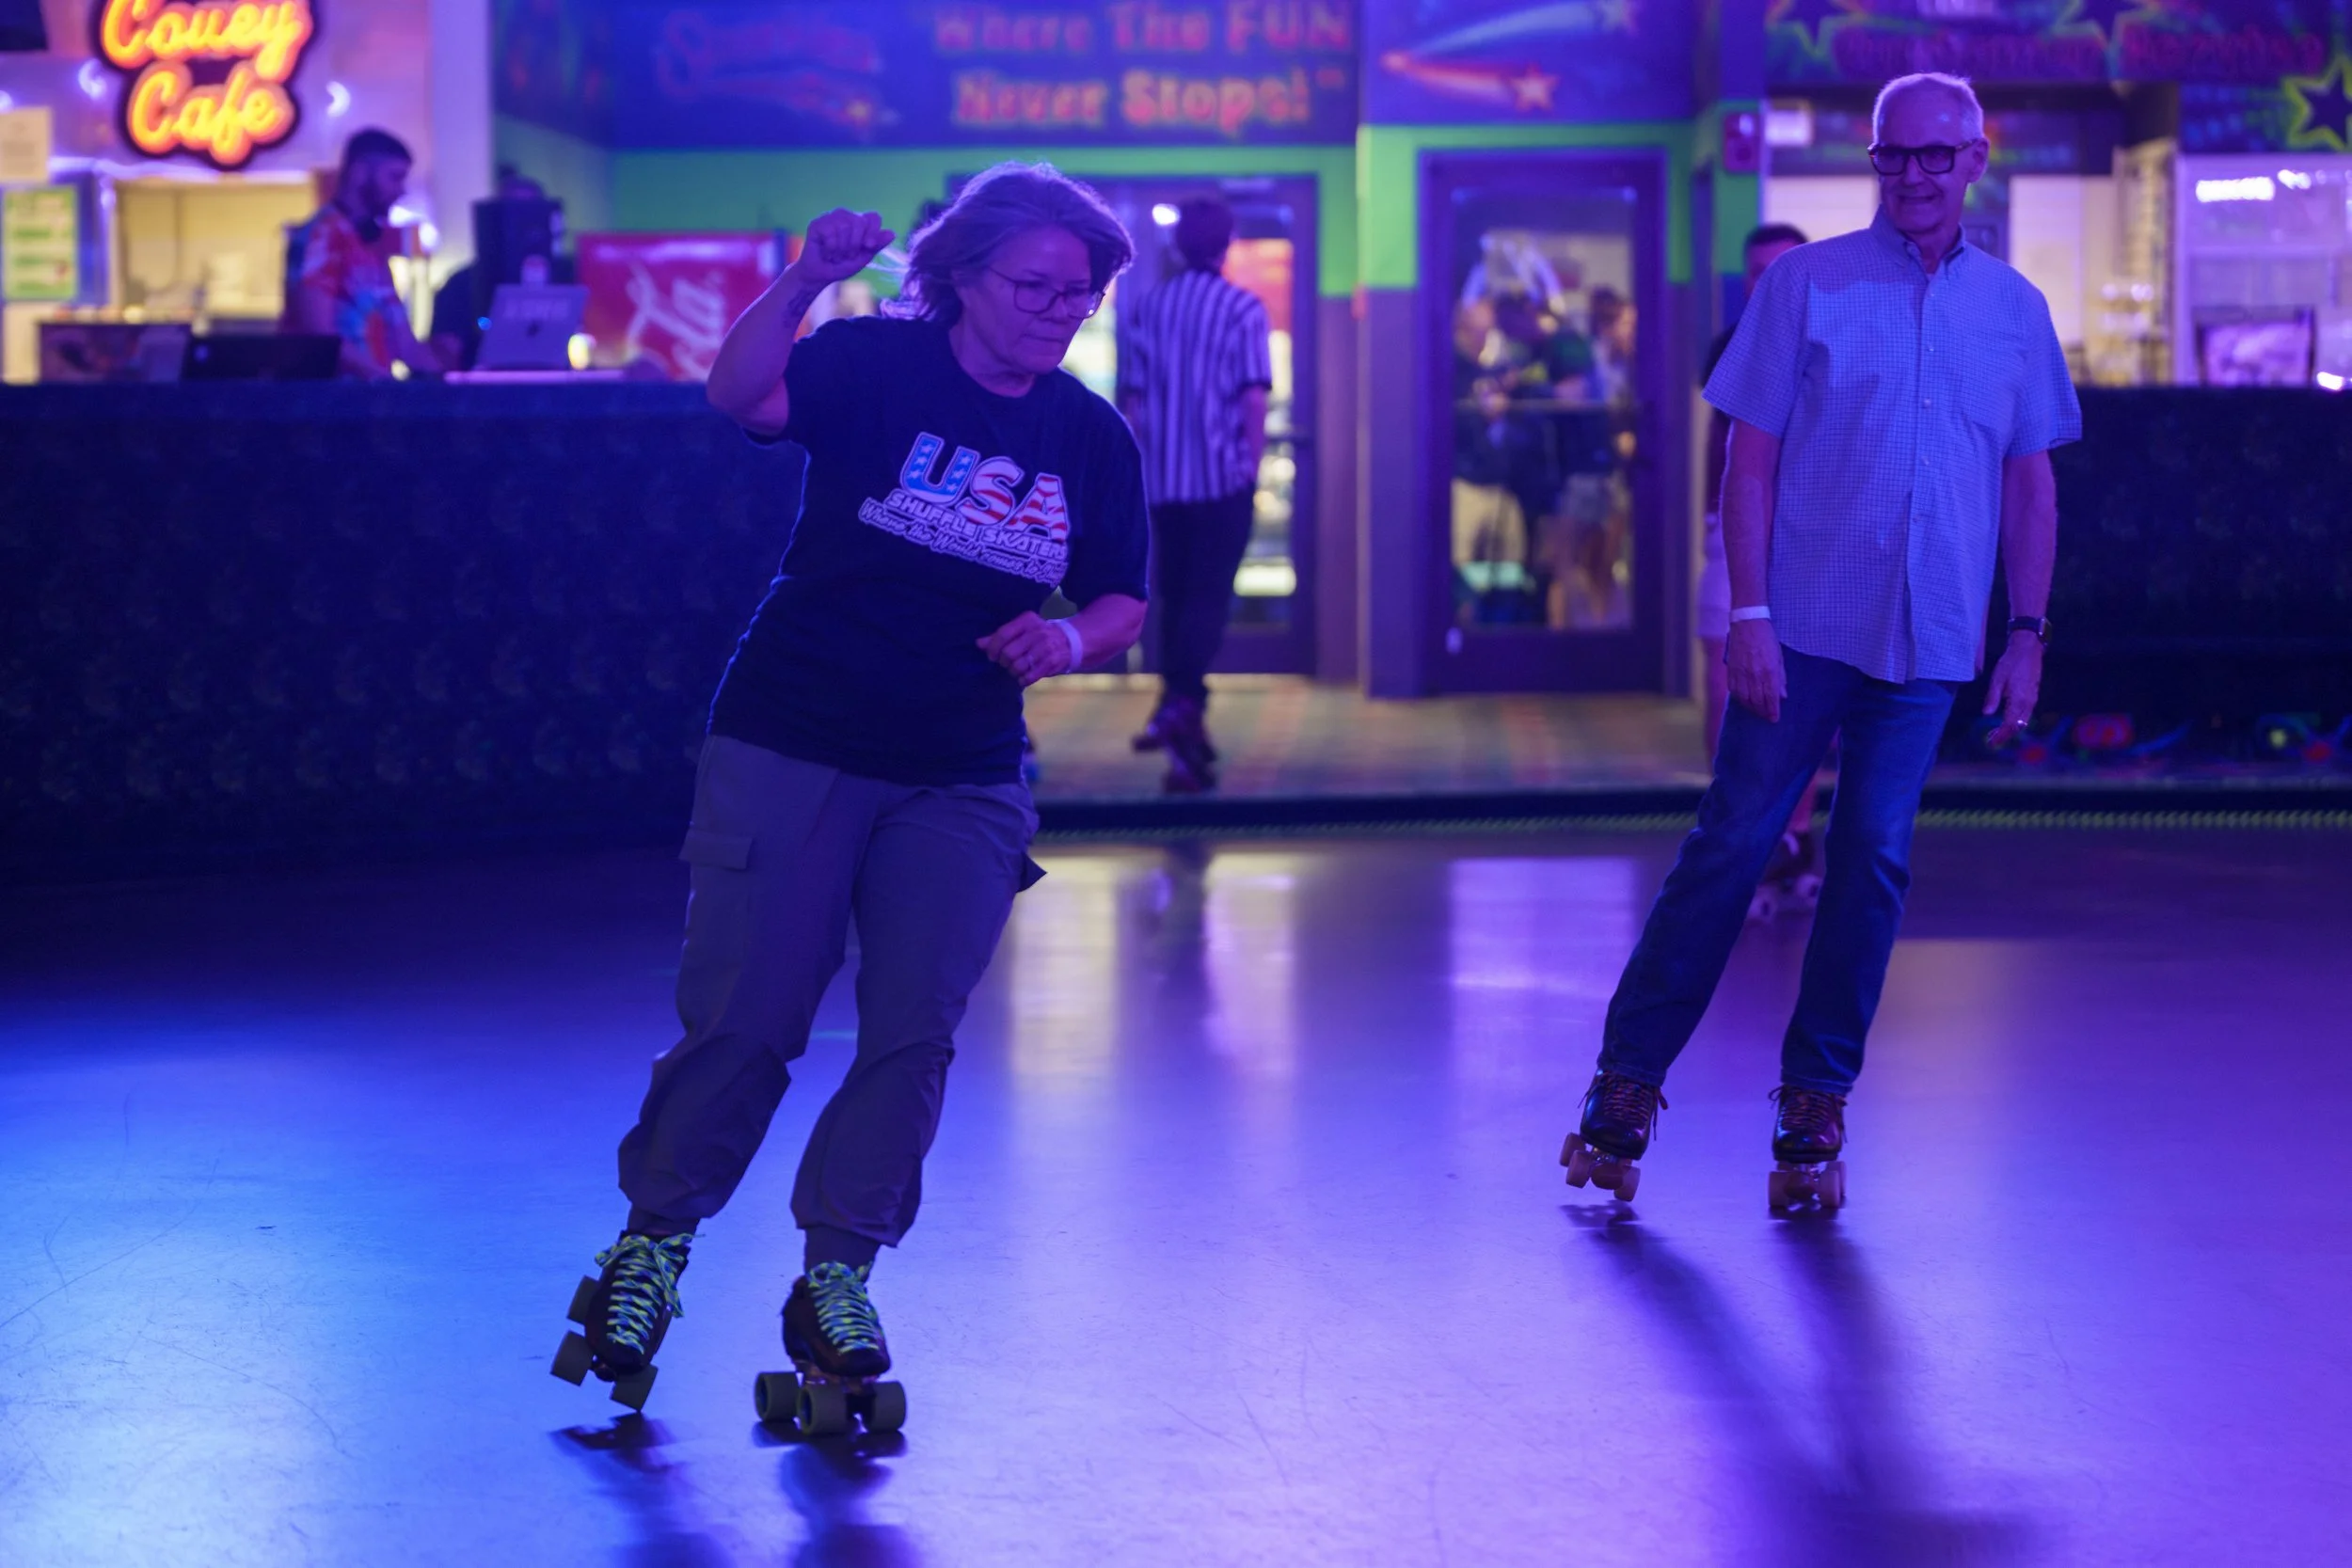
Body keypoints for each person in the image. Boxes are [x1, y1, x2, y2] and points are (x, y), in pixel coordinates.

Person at [550, 165, 1149, 1419]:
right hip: (797, 732)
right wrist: (809, 275)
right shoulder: (874, 363)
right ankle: (652, 1244)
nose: (1057, 310)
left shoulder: (1088, 434)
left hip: (965, 767)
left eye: (1080, 294)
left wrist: (1071, 642)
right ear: (962, 276)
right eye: (1033, 285)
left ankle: (839, 1273)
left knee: (912, 1030)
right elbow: (740, 393)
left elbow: (1119, 593)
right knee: (751, 1013)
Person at [1558, 72, 2078, 1211]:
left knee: (1872, 862)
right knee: (1732, 842)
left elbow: (2030, 487)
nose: (1913, 176)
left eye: (1935, 156)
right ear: (1876, 163)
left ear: (1976, 160)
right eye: (1893, 157)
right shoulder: (1803, 285)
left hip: (1932, 639)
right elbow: (1747, 464)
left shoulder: (2015, 312)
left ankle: (1814, 1103)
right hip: (1797, 632)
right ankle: (1625, 1084)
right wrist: (1746, 615)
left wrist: (2026, 633)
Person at [1118, 196, 1272, 793]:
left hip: (1161, 480)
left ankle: (1182, 721)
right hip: (1220, 481)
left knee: (1174, 598)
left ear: (1179, 245)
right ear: (1227, 242)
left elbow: (1131, 402)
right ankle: (1181, 701)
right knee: (1208, 600)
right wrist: (1249, 471)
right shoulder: (1242, 308)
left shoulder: (1149, 308)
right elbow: (1252, 399)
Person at [1700, 224, 1813, 915]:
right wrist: (1715, 528)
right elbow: (1723, 452)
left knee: (1798, 700)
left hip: (1808, 544)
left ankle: (1795, 838)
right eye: (1756, 273)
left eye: (1780, 269)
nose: (1767, 282)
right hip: (1734, 538)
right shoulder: (1728, 350)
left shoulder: (1835, 343)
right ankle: (1739, 832)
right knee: (1726, 690)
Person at [281, 128, 446, 382]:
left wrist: (449, 384)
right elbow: (320, 338)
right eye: (394, 177)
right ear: (359, 172)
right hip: (329, 407)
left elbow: (403, 341)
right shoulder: (321, 237)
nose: (401, 191)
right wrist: (383, 381)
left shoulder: (371, 244)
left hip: (368, 404)